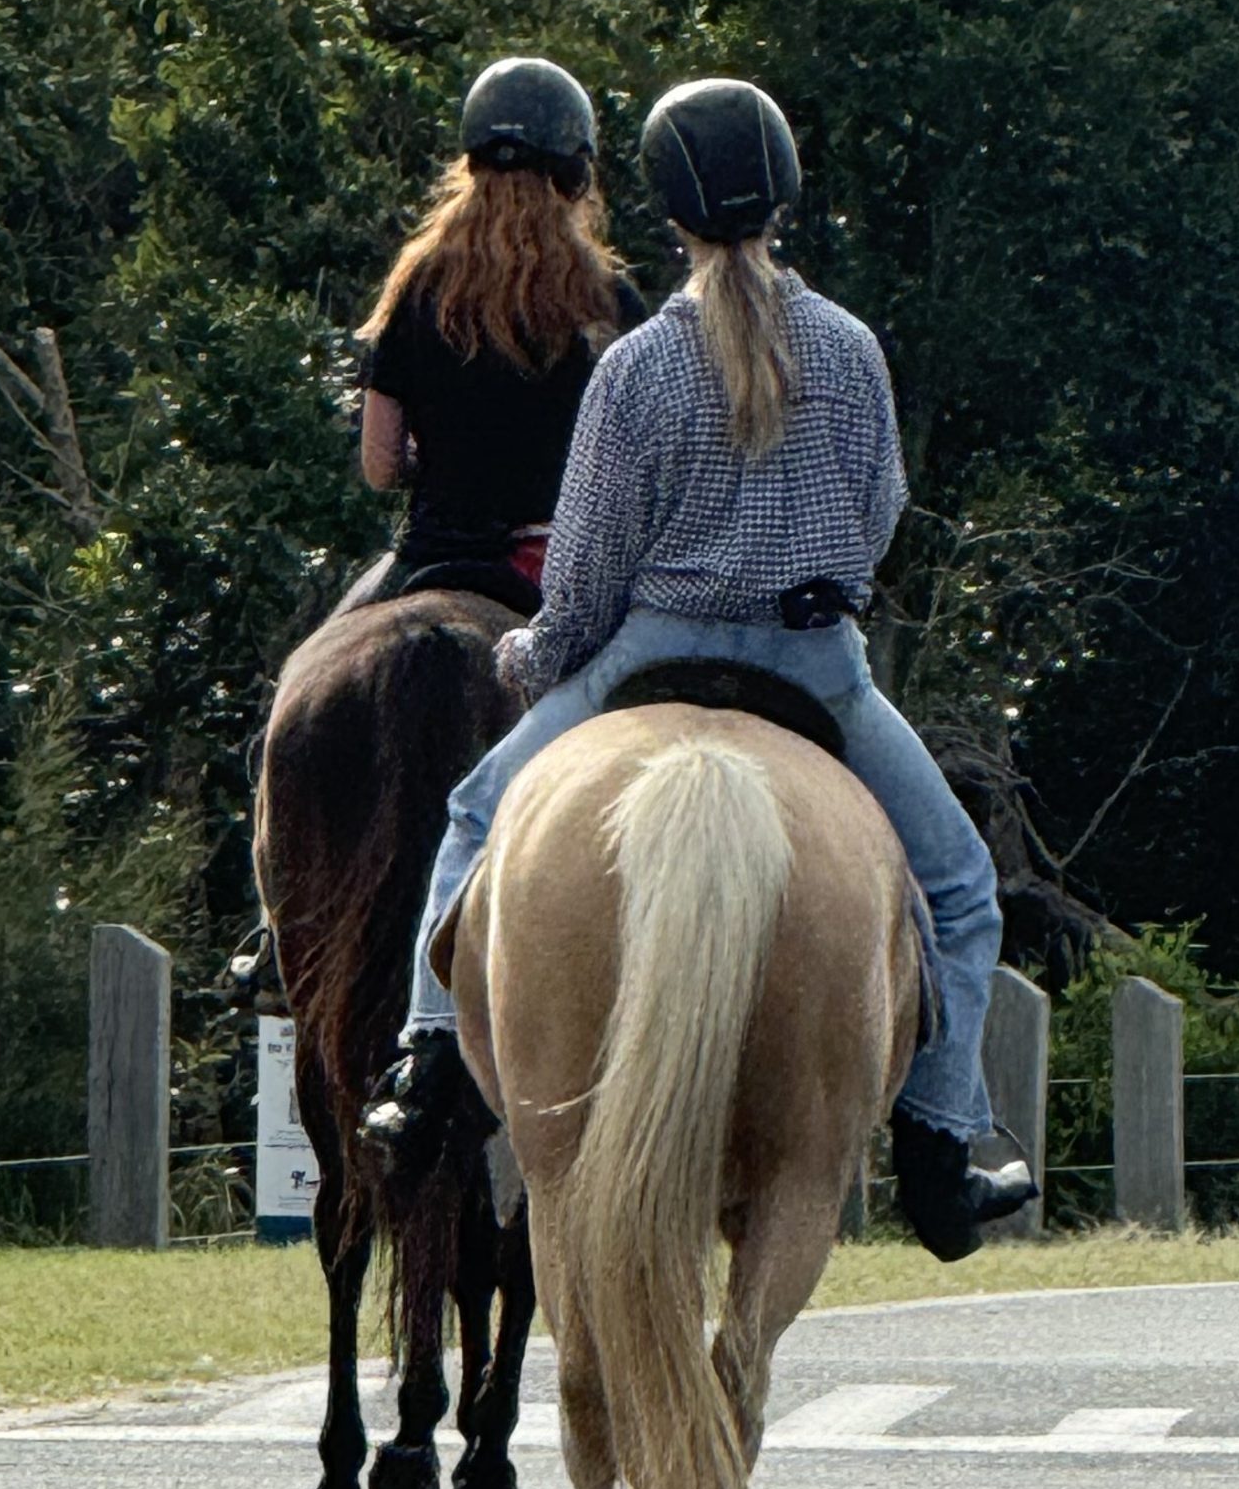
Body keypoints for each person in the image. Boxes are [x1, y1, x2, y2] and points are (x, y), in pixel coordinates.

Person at [365, 76, 1035, 1261]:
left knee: (475, 815)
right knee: (962, 886)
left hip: (649, 654)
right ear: (781, 196)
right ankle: (941, 1143)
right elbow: (877, 516)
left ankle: (424, 1066)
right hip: (815, 668)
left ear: (668, 211)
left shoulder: (635, 368)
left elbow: (583, 573)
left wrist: (532, 655)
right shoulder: (849, 348)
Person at [354, 56, 647, 595]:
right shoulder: (606, 300)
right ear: (575, 174)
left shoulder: (416, 288)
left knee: (317, 660)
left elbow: (379, 465)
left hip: (430, 558)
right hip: (563, 568)